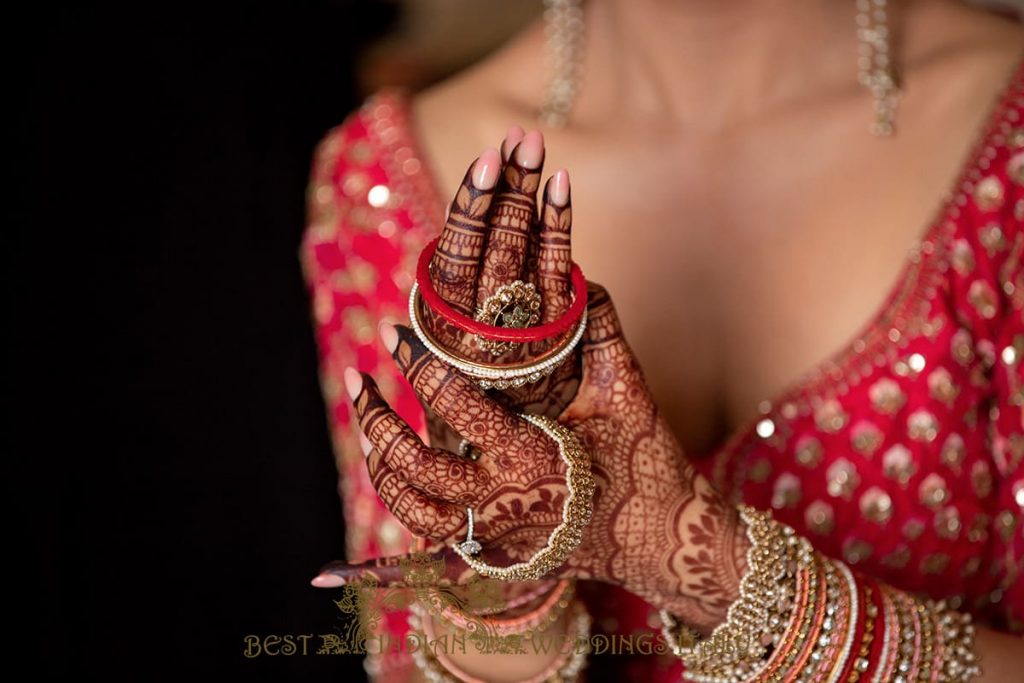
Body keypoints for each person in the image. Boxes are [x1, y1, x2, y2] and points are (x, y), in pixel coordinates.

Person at [300, 0, 1024, 680]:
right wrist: (502, 580)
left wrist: (701, 563)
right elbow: (401, 657)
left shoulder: (1004, 126)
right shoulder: (388, 174)